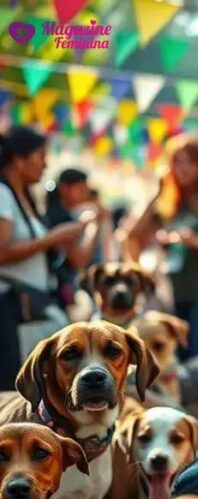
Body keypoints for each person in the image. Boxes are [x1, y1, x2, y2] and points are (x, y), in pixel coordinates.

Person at [127, 134, 198, 358]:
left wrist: (197, 241)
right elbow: (131, 234)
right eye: (177, 162)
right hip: (178, 296)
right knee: (180, 360)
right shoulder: (172, 203)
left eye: (190, 162)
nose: (184, 169)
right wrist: (158, 192)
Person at [0, 127, 86, 388]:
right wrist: (52, 238)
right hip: (6, 306)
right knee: (9, 386)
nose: (45, 164)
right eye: (40, 156)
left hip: (24, 309)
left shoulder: (24, 196)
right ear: (18, 158)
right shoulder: (3, 194)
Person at [44, 168, 104, 308]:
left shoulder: (64, 215)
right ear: (64, 188)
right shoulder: (59, 218)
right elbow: (79, 259)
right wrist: (93, 225)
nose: (86, 193)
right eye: (81, 188)